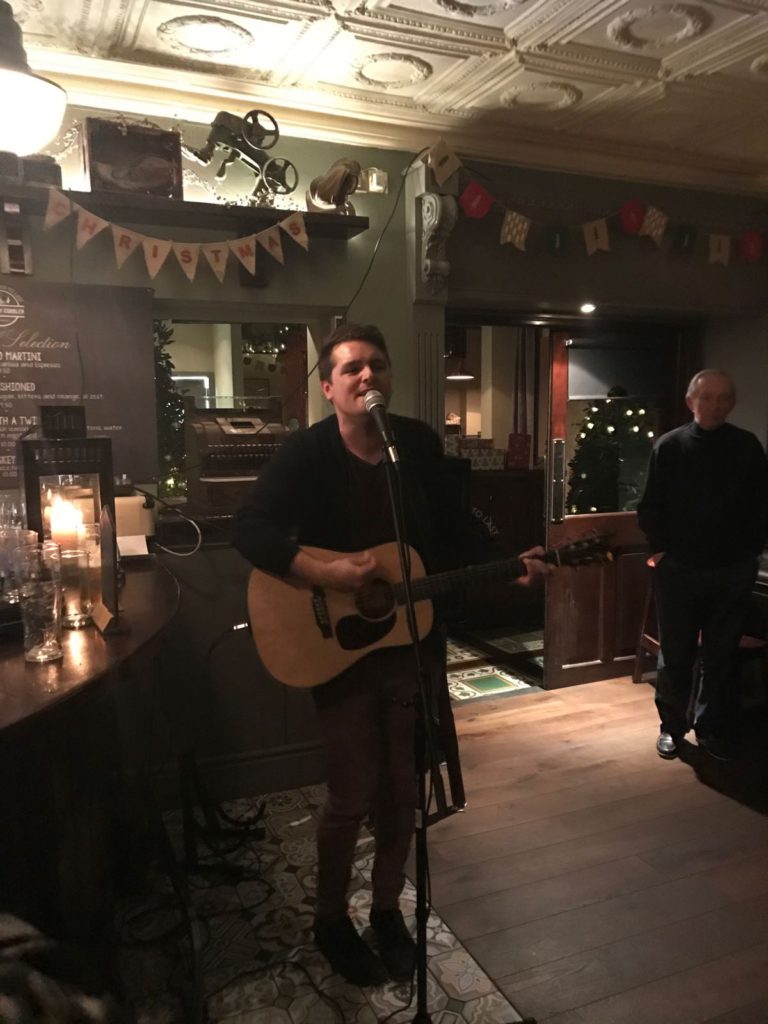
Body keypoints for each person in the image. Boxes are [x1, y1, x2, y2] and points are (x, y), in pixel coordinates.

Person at [232, 322, 549, 986]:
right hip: (337, 649)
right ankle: (329, 920)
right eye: (351, 368)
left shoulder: (416, 445)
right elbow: (250, 528)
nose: (366, 375)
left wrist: (504, 563)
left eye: (376, 364)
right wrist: (323, 572)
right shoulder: (307, 453)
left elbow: (453, 525)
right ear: (328, 387)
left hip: (410, 645)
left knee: (403, 791)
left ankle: (385, 911)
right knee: (351, 794)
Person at [637, 369, 768, 762]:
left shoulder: (747, 446)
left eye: (723, 398)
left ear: (732, 403)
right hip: (679, 570)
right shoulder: (670, 446)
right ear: (690, 402)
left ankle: (711, 728)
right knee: (676, 654)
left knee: (721, 655)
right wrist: (661, 553)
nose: (715, 405)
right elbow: (650, 506)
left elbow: (761, 504)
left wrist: (751, 553)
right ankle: (671, 727)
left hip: (732, 570)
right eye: (706, 397)